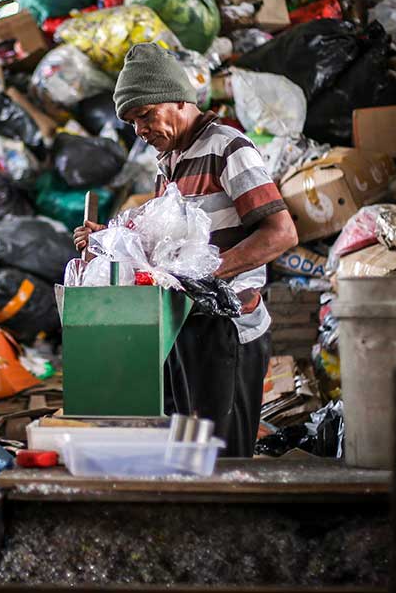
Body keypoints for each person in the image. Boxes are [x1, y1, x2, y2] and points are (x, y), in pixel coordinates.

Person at [74, 43, 298, 456]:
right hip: (185, 326)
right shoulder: (171, 161)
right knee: (192, 457)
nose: (140, 129)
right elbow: (168, 248)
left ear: (178, 99)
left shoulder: (227, 148)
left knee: (225, 462)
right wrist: (108, 239)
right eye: (132, 121)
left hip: (228, 330)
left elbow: (281, 234)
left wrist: (205, 277)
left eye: (145, 115)